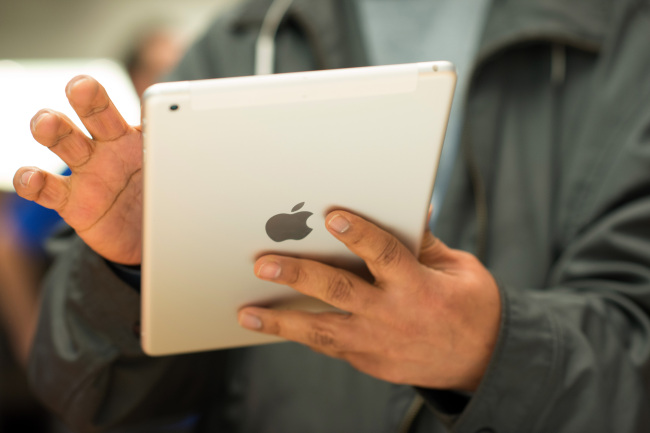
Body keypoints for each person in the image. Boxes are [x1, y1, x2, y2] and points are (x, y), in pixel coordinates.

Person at [13, 0, 650, 432]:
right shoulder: (239, 42)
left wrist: (493, 351)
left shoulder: (631, 41)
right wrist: (130, 276)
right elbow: (79, 389)